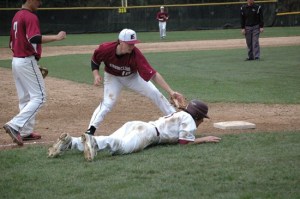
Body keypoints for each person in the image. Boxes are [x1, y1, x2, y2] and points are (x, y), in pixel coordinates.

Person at [84, 28, 184, 136]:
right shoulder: (105, 49)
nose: (132, 46)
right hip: (113, 77)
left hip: (132, 77)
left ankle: (177, 120)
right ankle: (90, 130)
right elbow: (95, 60)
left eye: (134, 43)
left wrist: (170, 91)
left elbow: (153, 74)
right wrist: (96, 75)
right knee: (108, 102)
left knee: (154, 93)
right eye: (129, 44)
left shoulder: (135, 54)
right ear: (121, 42)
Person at [48, 99, 221, 161]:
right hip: (147, 134)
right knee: (122, 147)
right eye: (202, 120)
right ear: (198, 116)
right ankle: (91, 141)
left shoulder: (181, 114)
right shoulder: (190, 120)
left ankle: (71, 142)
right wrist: (203, 139)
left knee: (112, 139)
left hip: (138, 124)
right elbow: (185, 142)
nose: (201, 123)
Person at [3, 0, 66, 146]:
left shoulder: (17, 16)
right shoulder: (30, 16)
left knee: (25, 98)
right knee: (40, 97)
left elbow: (11, 43)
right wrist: (56, 37)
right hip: (26, 60)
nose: (41, 3)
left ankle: (25, 132)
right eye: (38, 0)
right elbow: (34, 38)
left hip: (16, 60)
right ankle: (14, 125)